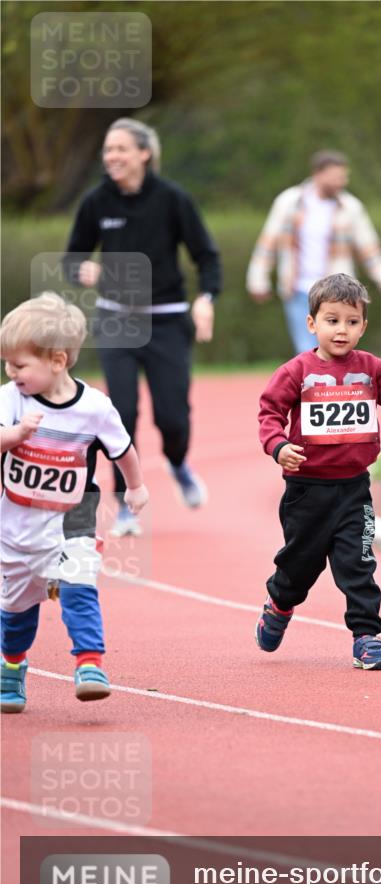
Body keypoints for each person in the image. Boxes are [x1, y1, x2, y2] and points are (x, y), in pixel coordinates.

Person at [255, 274, 381, 669]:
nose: (342, 330)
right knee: (300, 566)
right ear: (312, 323)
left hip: (353, 490)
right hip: (306, 491)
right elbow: (270, 413)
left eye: (351, 321)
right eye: (332, 320)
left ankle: (368, 637)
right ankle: (280, 602)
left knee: (358, 564)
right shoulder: (296, 371)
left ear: (364, 326)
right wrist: (278, 447)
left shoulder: (371, 369)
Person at [63, 118, 221, 536]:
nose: (112, 156)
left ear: (144, 154)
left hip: (168, 319)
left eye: (121, 149)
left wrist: (206, 301)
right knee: (122, 413)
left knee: (172, 418)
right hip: (116, 318)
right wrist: (84, 271)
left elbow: (207, 255)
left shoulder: (173, 199)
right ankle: (127, 504)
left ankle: (178, 463)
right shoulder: (97, 201)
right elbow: (71, 257)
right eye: (108, 150)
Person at [0, 293, 149, 713]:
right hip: (17, 524)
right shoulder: (11, 399)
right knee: (15, 611)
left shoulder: (96, 408)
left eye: (19, 364)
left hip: (74, 517)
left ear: (58, 361)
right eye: (7, 364)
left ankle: (90, 663)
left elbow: (123, 450)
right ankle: (12, 664)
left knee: (78, 588)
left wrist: (135, 488)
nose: (11, 373)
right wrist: (15, 436)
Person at [246, 150, 381, 355]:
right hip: (298, 290)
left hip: (337, 293)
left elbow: (371, 253)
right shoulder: (289, 202)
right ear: (318, 174)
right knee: (306, 352)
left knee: (337, 349)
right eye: (336, 177)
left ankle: (336, 388)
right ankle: (315, 387)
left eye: (343, 177)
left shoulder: (351, 208)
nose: (341, 182)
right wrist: (257, 279)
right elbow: (268, 242)